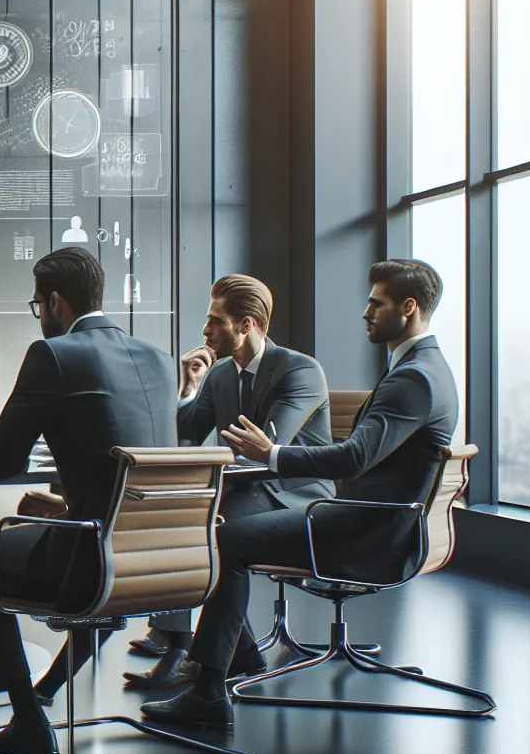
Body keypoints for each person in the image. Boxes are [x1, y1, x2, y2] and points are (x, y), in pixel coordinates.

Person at [140, 259, 458, 730]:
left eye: (376, 303)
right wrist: (188, 390)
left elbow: (352, 458)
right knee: (214, 527)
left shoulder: (411, 377)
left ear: (408, 308)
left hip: (362, 527)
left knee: (222, 538)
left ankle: (208, 687)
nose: (365, 311)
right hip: (368, 518)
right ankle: (235, 656)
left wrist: (272, 454)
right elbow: (186, 432)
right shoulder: (420, 368)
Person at [0, 247, 177, 754]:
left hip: (92, 561)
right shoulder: (159, 359)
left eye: (37, 305)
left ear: (54, 301)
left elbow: (1, 460)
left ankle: (28, 723)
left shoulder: (53, 355)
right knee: (70, 543)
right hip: (163, 560)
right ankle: (47, 689)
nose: (40, 317)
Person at [116, 274, 335, 690]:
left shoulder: (300, 370)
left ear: (247, 324)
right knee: (176, 516)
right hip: (241, 489)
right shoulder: (219, 376)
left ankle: (191, 653)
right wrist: (187, 387)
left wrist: (210, 480)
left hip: (295, 496)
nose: (205, 330)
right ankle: (220, 649)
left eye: (215, 320)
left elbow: (267, 451)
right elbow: (182, 436)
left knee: (205, 527)